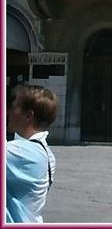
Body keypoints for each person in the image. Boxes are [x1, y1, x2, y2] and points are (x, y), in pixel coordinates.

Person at [6, 84, 58, 223]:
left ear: (28, 116)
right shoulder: (45, 153)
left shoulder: (24, 153)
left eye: (13, 106)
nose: (7, 111)